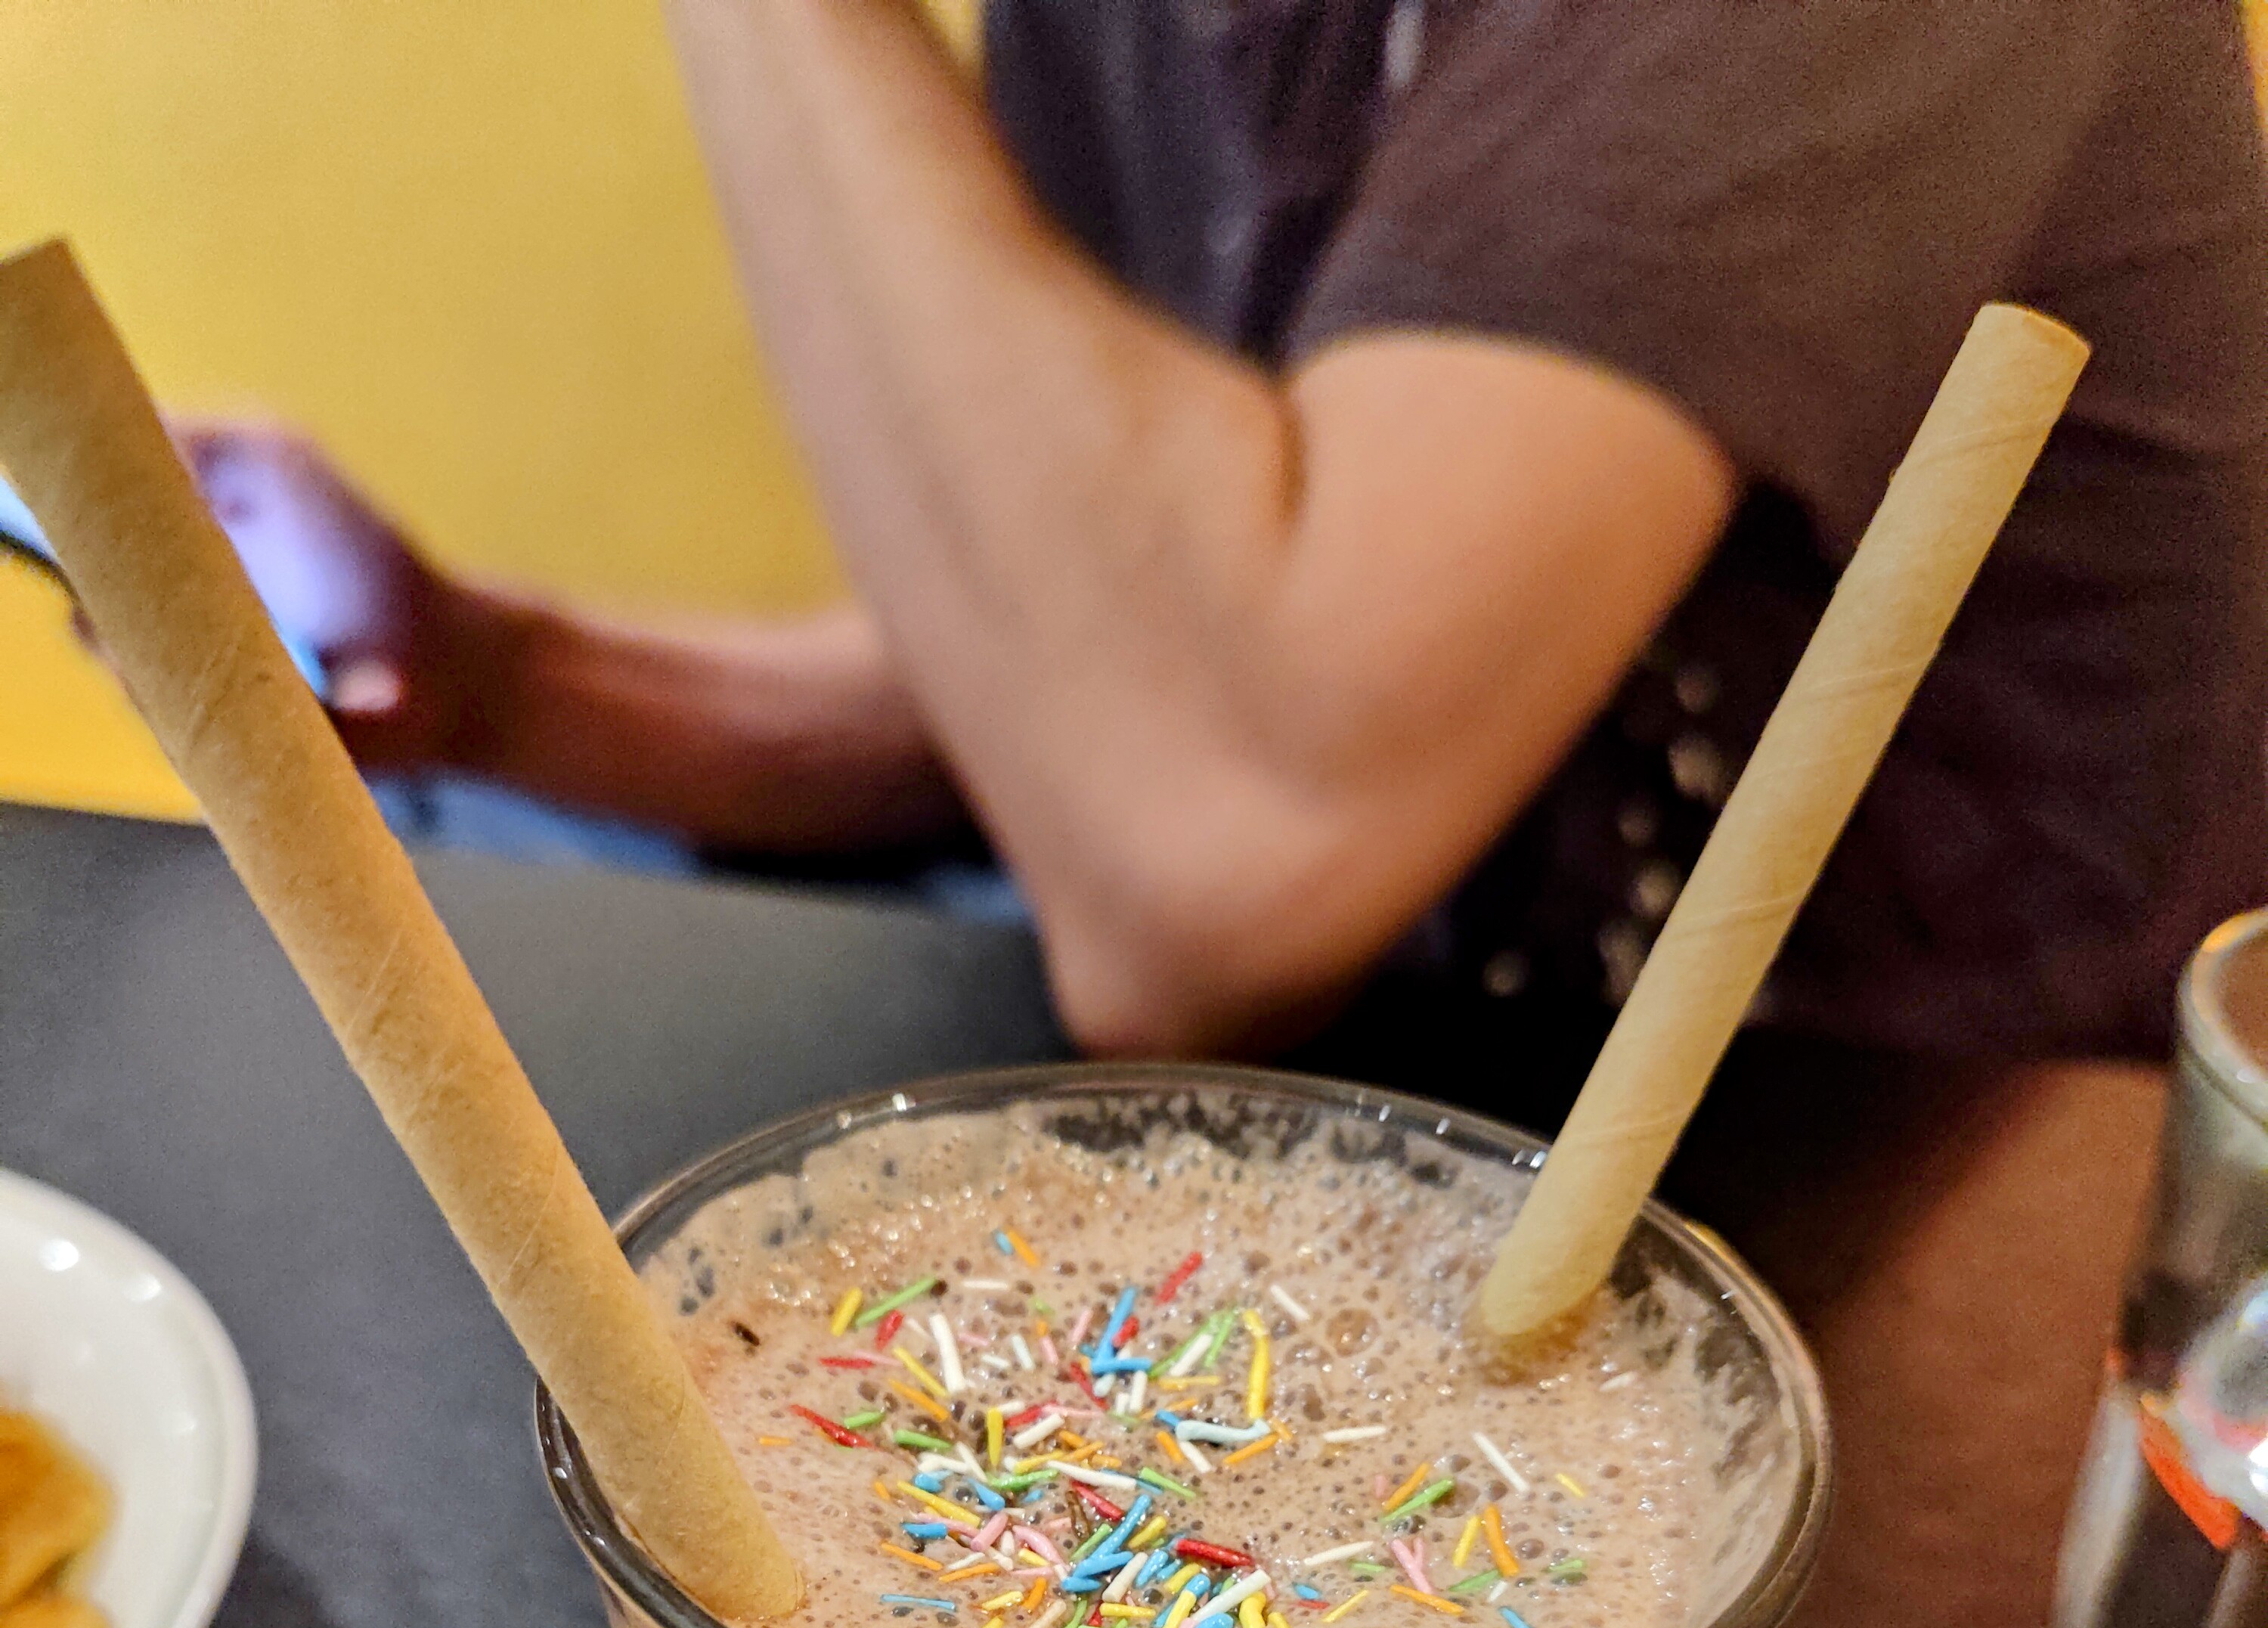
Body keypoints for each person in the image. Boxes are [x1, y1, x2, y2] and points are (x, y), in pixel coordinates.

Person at [178, 0, 2268, 1102]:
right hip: (1396, 1099)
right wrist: (509, 684)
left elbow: (1210, 856)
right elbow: (1111, 675)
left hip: (1883, 1226)